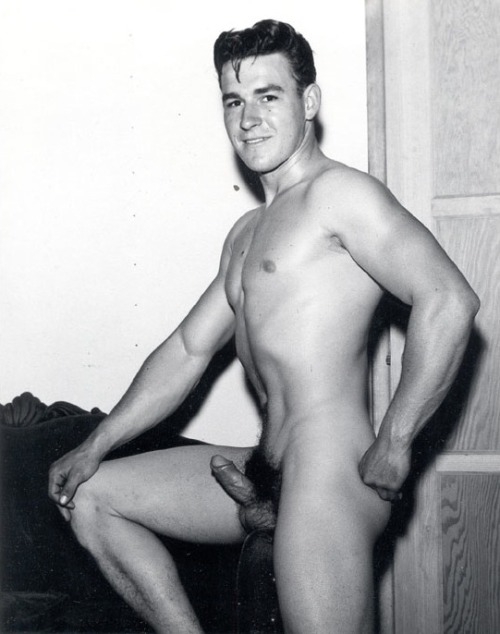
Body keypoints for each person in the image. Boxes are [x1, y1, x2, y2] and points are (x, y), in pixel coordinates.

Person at [48, 19, 479, 634]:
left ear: (309, 101)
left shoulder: (339, 196)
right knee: (92, 498)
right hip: (261, 467)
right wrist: (97, 444)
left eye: (268, 96)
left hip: (328, 468)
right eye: (234, 101)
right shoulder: (247, 234)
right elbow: (187, 350)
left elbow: (448, 298)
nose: (248, 118)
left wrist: (396, 439)